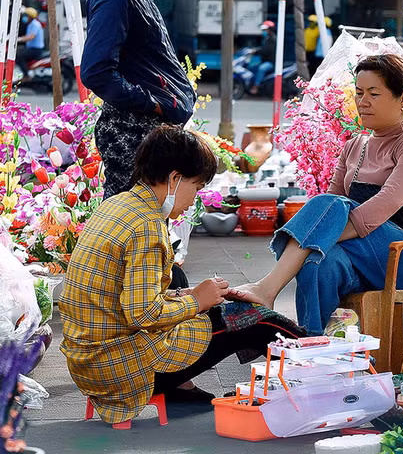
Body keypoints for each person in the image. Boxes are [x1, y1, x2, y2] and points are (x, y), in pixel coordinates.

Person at [60, 126, 304, 425]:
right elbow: (142, 313)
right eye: (196, 187)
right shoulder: (146, 225)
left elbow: (127, 295)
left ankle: (183, 390)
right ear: (174, 178)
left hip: (89, 362)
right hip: (121, 368)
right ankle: (325, 370)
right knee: (258, 319)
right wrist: (198, 301)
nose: (193, 200)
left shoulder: (118, 204)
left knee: (185, 285)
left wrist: (192, 295)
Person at [235, 54, 403, 335]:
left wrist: (324, 234)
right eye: (358, 92)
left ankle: (267, 288)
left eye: (373, 94)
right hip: (363, 255)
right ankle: (311, 342)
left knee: (327, 213)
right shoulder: (355, 146)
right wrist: (319, 239)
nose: (362, 101)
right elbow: (330, 204)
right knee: (318, 262)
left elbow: (385, 203)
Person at [80, 0, 196, 200]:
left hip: (145, 131)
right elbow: (96, 72)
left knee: (145, 220)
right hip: (132, 132)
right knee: (132, 219)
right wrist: (152, 103)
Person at [16, 7, 46, 76]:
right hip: (31, 48)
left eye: (26, 15)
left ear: (30, 16)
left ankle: (26, 75)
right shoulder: (30, 24)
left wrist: (19, 39)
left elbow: (31, 37)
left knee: (19, 56)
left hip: (36, 50)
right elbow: (27, 36)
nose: (25, 17)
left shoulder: (35, 24)